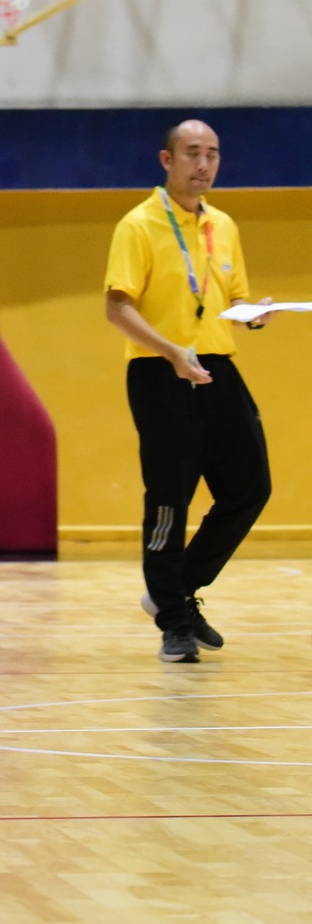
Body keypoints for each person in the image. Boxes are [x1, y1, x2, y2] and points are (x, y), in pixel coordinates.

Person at [104, 118, 274, 663]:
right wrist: (172, 351)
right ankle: (174, 624)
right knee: (169, 498)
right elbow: (117, 307)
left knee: (251, 487)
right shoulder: (139, 225)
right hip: (161, 371)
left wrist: (254, 313)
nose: (204, 165)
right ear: (167, 160)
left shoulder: (223, 225)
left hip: (216, 367)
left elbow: (232, 298)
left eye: (213, 154)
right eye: (193, 153)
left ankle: (174, 590)